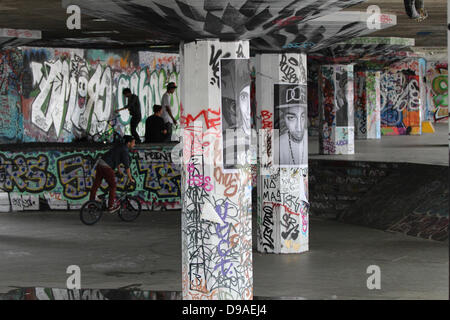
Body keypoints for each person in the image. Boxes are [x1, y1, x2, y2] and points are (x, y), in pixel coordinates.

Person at [89, 135, 136, 212]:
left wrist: (119, 170)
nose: (134, 145)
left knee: (97, 183)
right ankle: (110, 206)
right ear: (128, 143)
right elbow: (127, 167)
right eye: (133, 143)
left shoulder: (119, 146)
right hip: (106, 166)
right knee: (113, 186)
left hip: (100, 163)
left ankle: (91, 203)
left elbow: (115, 158)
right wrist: (130, 178)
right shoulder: (125, 151)